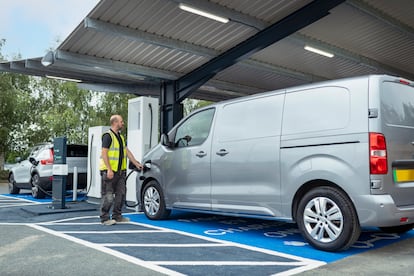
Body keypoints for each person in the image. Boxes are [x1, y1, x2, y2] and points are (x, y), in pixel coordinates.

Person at [99, 114, 143, 225]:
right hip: (109, 172)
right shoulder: (108, 136)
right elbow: (104, 153)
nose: (123, 123)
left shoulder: (120, 137)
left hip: (120, 172)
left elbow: (126, 151)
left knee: (121, 194)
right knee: (108, 196)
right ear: (115, 123)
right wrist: (109, 169)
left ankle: (117, 216)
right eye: (121, 121)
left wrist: (136, 163)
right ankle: (104, 218)